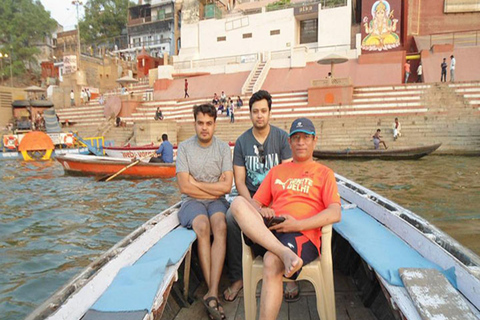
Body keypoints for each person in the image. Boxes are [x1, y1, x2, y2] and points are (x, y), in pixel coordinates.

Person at [229, 117, 341, 320]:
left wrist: (297, 224)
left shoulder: (324, 173)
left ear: (315, 141)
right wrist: (263, 210)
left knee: (272, 261)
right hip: (270, 232)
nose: (300, 142)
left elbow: (335, 212)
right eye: (296, 138)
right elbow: (255, 203)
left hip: (301, 235)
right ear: (289, 143)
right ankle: (283, 252)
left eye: (305, 138)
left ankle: (282, 253)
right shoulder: (277, 171)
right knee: (237, 203)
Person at [224, 90, 294, 303]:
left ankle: (290, 274)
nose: (260, 115)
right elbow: (240, 182)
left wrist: (272, 204)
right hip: (251, 199)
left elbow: (286, 174)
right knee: (230, 219)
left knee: (286, 215)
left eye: (264, 111)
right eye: (255, 111)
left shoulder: (282, 138)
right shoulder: (242, 142)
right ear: (250, 114)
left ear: (270, 112)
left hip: (278, 197)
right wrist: (255, 205)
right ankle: (238, 277)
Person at [176, 103, 233, 320]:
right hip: (192, 202)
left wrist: (197, 183)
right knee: (203, 226)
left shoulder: (222, 149)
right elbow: (184, 187)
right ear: (195, 123)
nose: (204, 128)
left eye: (209, 123)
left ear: (215, 125)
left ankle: (211, 292)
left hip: (217, 202)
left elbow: (227, 187)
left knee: (220, 225)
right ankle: (214, 293)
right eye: (200, 123)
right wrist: (210, 187)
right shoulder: (184, 148)